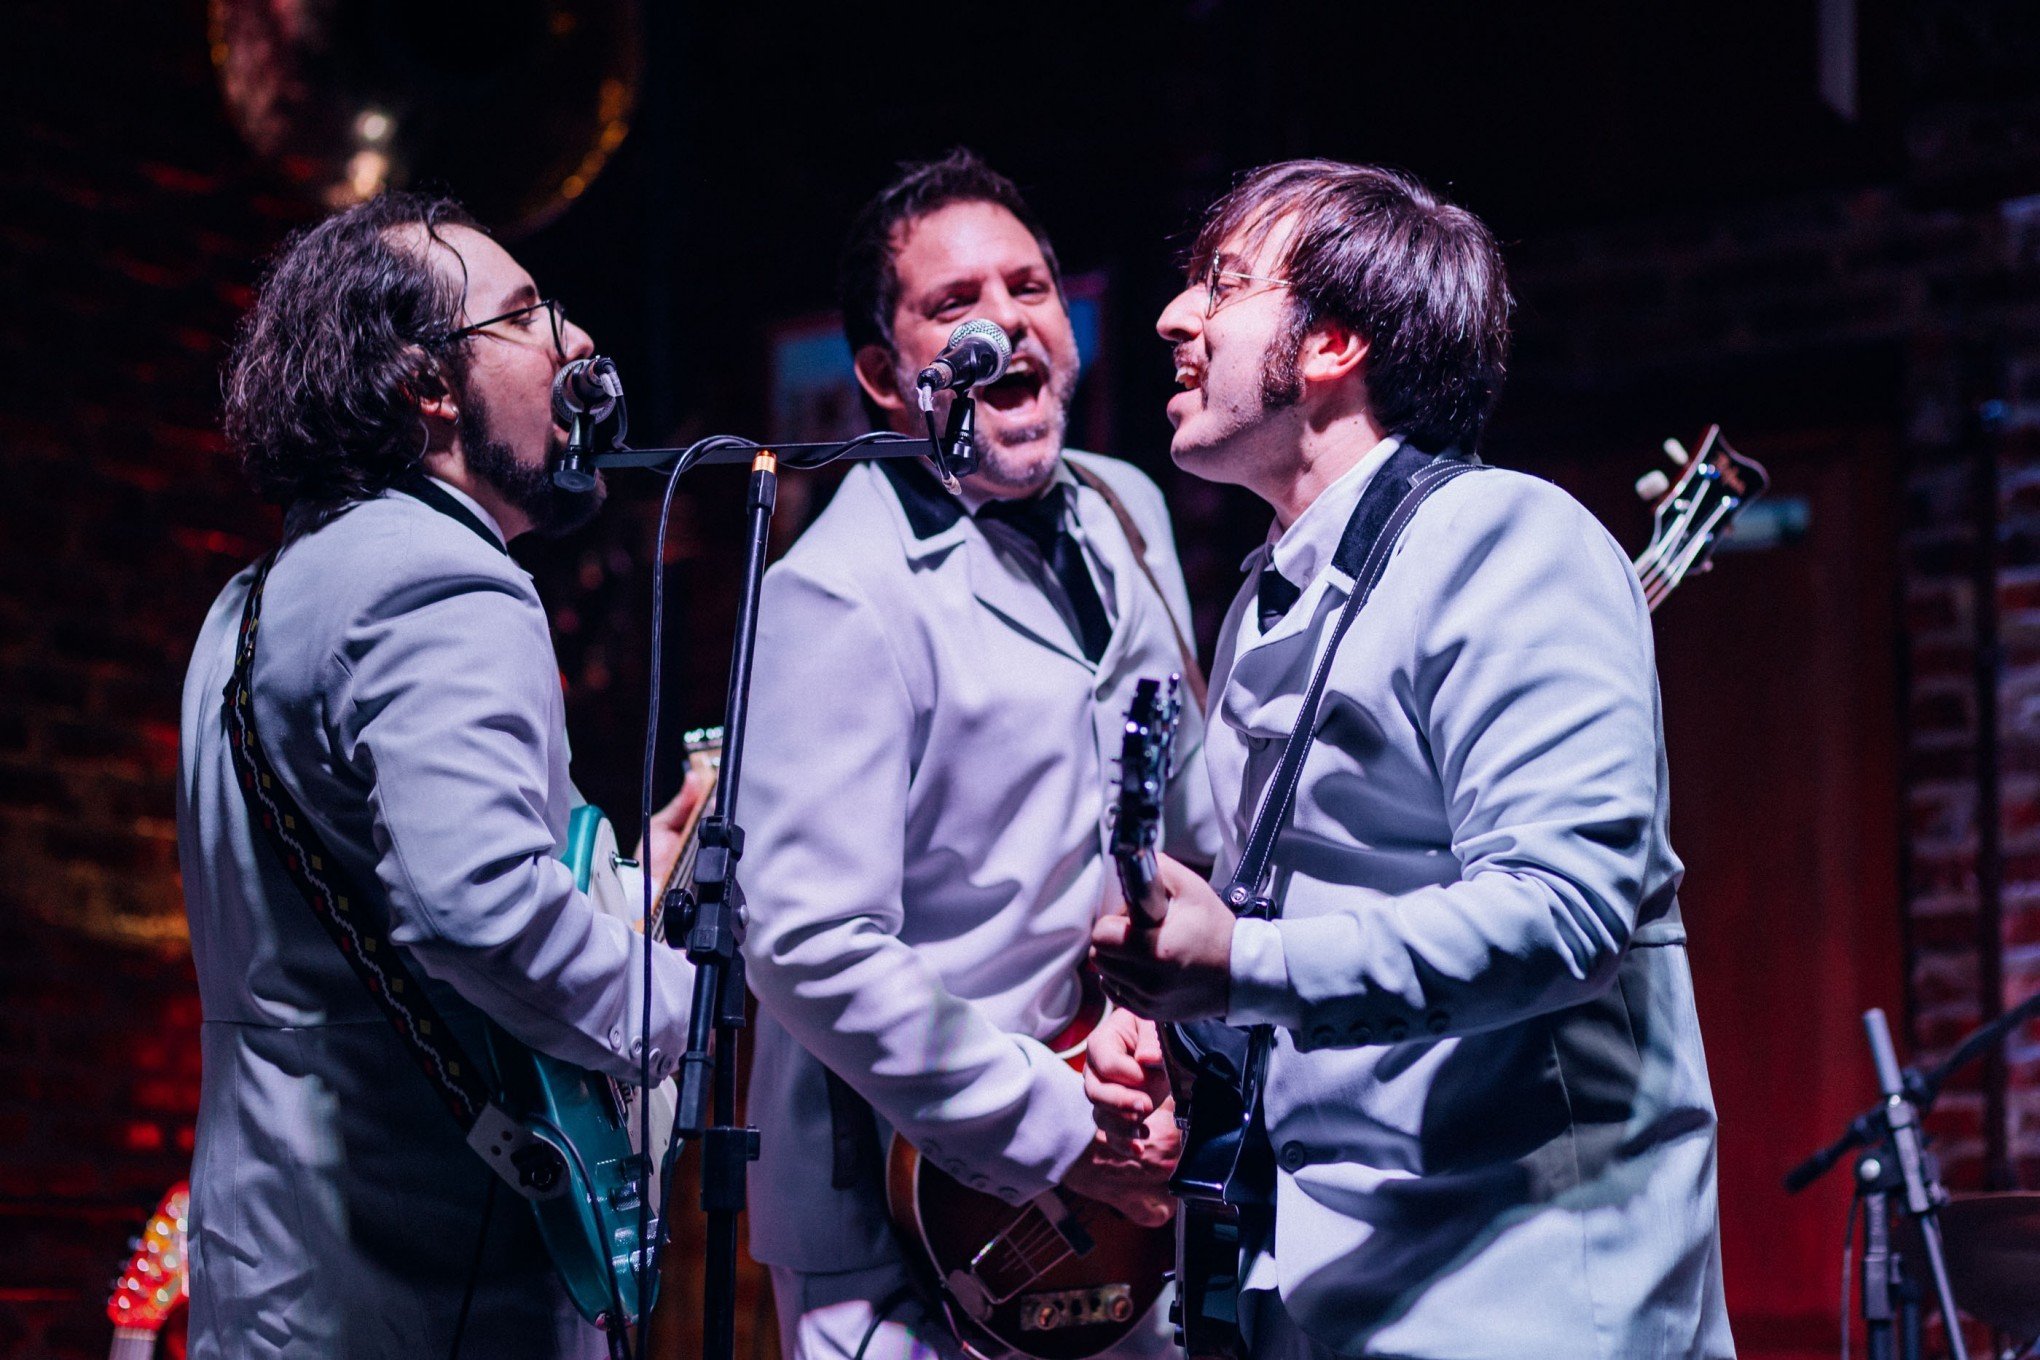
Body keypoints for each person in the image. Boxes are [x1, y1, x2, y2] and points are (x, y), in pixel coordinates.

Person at [1085, 160, 1736, 1359]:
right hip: (1339, 1287)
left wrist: (1241, 964)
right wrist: (1186, 1029)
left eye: (1224, 284)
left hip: (1524, 1299)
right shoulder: (1271, 598)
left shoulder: (1508, 537)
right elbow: (1330, 920)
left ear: (1333, 342)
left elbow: (1566, 913)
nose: (1175, 318)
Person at [177, 192, 702, 1359]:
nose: (578, 345)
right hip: (424, 1286)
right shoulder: (443, 580)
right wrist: (684, 1006)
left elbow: (364, 903)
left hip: (280, 1278)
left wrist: (627, 880)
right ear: (425, 383)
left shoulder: (257, 599)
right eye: (525, 315)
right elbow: (475, 910)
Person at [737, 148, 1221, 1360]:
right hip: (907, 1220)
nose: (1006, 318)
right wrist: (1054, 1126)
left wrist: (1160, 1035)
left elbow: (1181, 825)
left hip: (1118, 1196)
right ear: (885, 379)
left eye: (1032, 287)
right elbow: (807, 939)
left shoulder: (1128, 509)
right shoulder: (833, 592)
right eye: (954, 305)